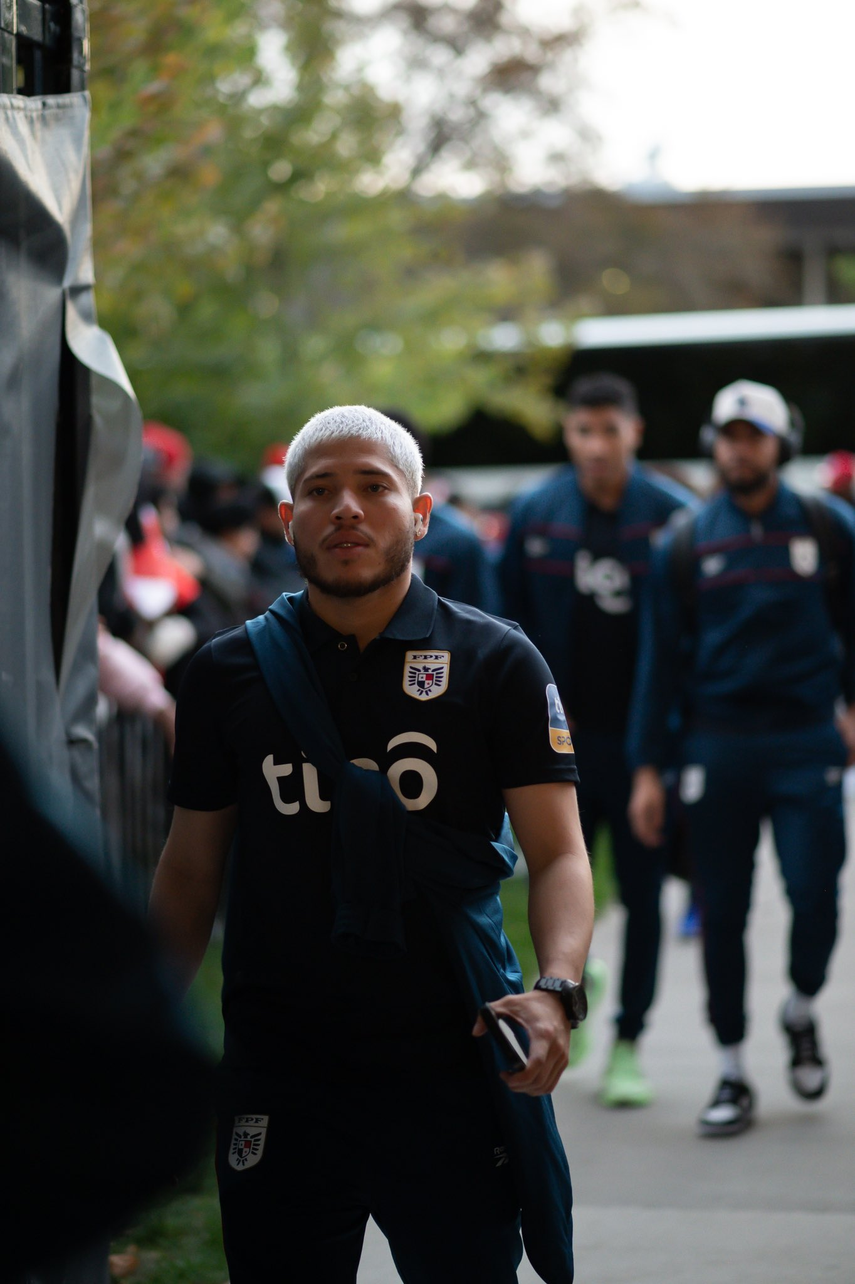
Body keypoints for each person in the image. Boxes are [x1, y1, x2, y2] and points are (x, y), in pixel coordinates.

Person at [149, 406, 594, 1284]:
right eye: (318, 490)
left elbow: (559, 855)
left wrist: (555, 991)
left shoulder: (497, 662)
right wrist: (139, 1019)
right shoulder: (223, 675)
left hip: (450, 1062)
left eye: (372, 487)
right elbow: (191, 869)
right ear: (287, 520)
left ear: (419, 513)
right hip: (278, 1067)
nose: (345, 507)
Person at [627, 378, 855, 1138]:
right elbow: (658, 661)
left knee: (815, 896)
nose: (739, 448)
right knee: (719, 912)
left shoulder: (829, 527)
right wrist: (648, 768)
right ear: (712, 444)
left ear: (778, 443)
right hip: (714, 746)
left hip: (805, 742)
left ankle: (798, 1009)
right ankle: (730, 1070)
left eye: (753, 435)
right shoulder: (684, 543)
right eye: (728, 435)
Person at [500, 372, 696, 1107]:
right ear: (568, 435)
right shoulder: (535, 513)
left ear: (634, 433)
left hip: (643, 749)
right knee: (557, 884)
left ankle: (628, 1042)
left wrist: (675, 743)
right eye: (583, 431)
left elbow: (696, 641)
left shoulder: (676, 517)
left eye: (609, 431)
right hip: (559, 750)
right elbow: (501, 625)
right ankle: (565, 1000)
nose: (596, 446)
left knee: (641, 898)